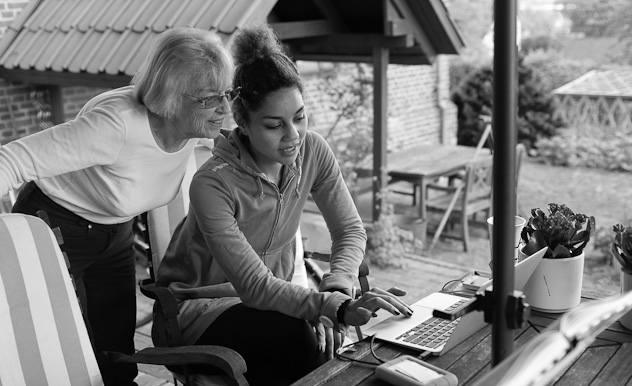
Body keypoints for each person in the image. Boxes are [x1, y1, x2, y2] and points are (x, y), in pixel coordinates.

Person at [154, 24, 413, 386]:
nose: (293, 136)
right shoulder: (213, 184)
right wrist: (330, 308)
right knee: (295, 337)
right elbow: (254, 286)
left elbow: (349, 229)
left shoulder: (313, 151)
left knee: (313, 344)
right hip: (196, 313)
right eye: (275, 125)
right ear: (242, 122)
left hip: (270, 308)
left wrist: (337, 290)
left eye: (300, 117)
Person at [0, 27, 235, 385]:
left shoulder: (195, 125)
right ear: (172, 99)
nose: (224, 108)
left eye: (226, 94)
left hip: (114, 227)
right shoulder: (116, 126)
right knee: (65, 339)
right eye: (210, 98)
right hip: (56, 225)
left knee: (116, 340)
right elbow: (12, 159)